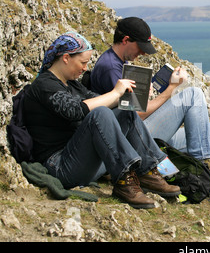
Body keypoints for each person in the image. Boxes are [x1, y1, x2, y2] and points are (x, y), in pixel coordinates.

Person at [90, 17, 210, 220]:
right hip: (132, 138)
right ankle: (199, 175)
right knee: (192, 95)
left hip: (141, 132)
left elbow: (131, 109)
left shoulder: (120, 63)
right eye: (139, 47)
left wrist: (153, 92)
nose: (141, 53)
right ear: (125, 40)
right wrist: (170, 90)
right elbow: (134, 116)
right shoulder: (110, 67)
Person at [23, 32, 181, 210]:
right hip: (60, 166)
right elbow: (75, 111)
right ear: (66, 58)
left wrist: (128, 94)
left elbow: (99, 100)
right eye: (82, 63)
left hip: (81, 159)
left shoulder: (72, 83)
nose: (84, 68)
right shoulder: (44, 85)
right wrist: (115, 93)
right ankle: (124, 181)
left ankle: (147, 172)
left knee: (125, 111)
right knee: (100, 114)